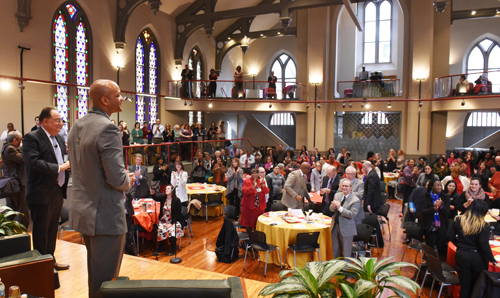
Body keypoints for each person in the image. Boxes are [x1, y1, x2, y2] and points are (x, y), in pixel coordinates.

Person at [68, 80, 136, 298]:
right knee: (107, 280)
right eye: (118, 95)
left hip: (84, 210)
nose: (122, 98)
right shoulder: (108, 128)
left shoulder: (76, 125)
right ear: (105, 100)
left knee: (95, 274)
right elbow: (116, 178)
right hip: (105, 215)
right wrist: (128, 180)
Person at [23, 107, 70, 272]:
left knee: (51, 230)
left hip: (57, 190)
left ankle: (50, 261)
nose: (61, 123)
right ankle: (41, 267)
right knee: (41, 231)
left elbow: (64, 161)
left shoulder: (58, 139)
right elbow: (34, 163)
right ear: (45, 122)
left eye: (61, 120)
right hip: (40, 193)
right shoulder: (31, 138)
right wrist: (60, 167)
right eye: (57, 120)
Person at [446, 200, 500, 298]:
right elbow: (484, 244)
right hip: (477, 258)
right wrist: (493, 261)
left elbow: (449, 236)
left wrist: (460, 245)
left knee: (464, 286)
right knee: (476, 286)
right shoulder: (484, 225)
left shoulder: (458, 220)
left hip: (461, 255)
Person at [1, 131, 29, 227]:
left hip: (12, 183)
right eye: (20, 140)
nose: (21, 143)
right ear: (14, 140)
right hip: (15, 183)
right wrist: (25, 148)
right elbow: (22, 159)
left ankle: (6, 229)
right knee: (22, 209)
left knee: (11, 208)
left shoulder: (7, 147)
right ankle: (23, 232)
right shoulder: (10, 149)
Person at [330, 179, 362, 259]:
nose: (344, 188)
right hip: (335, 226)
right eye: (343, 186)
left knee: (346, 252)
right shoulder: (337, 195)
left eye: (346, 186)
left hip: (347, 228)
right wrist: (333, 207)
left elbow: (352, 214)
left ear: (351, 187)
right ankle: (336, 266)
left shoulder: (355, 200)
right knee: (335, 249)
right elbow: (331, 209)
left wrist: (340, 208)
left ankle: (346, 268)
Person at [417, 179, 450, 257]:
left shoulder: (445, 197)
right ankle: (430, 264)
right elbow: (422, 211)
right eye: (437, 185)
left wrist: (441, 206)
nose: (440, 187)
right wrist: (434, 208)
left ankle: (441, 265)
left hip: (442, 226)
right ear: (432, 187)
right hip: (429, 226)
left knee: (441, 247)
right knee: (430, 248)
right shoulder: (425, 196)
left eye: (440, 185)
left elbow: (447, 213)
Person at [157, 185, 185, 256]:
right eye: (166, 189)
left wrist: (172, 223)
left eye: (168, 189)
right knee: (159, 228)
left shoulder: (176, 200)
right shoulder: (163, 199)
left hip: (174, 220)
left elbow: (177, 214)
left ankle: (173, 249)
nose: (166, 190)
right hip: (164, 220)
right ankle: (161, 247)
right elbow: (155, 197)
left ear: (172, 191)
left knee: (171, 229)